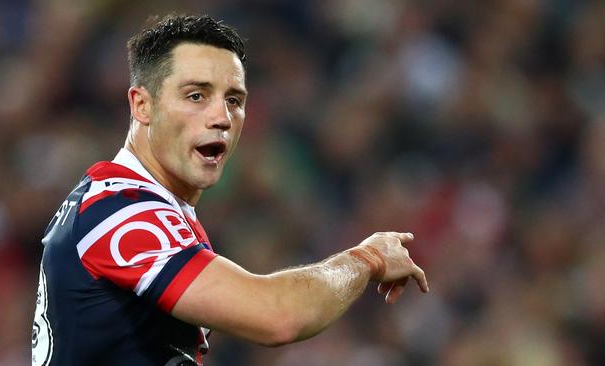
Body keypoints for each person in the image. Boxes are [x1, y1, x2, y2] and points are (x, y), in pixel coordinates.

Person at [31, 14, 429, 366]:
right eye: (196, 95)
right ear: (142, 106)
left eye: (234, 100)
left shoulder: (148, 208)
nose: (222, 117)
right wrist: (368, 259)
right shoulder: (121, 212)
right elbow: (278, 316)